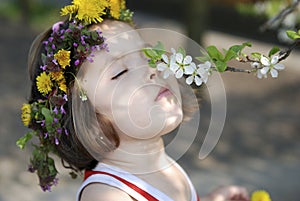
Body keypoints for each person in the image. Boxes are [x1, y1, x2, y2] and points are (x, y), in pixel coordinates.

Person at [19, 1, 249, 200]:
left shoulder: (166, 169)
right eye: (120, 72)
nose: (151, 70)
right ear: (86, 117)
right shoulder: (108, 195)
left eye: (147, 55)